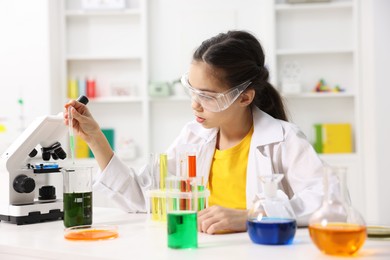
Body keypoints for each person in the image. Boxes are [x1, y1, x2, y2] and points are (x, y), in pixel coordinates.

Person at [64, 30, 324, 235]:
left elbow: (328, 203)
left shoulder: (284, 139)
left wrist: (252, 216)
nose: (195, 104)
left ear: (244, 97)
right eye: (192, 90)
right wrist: (95, 137)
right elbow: (143, 197)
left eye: (207, 96)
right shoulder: (193, 137)